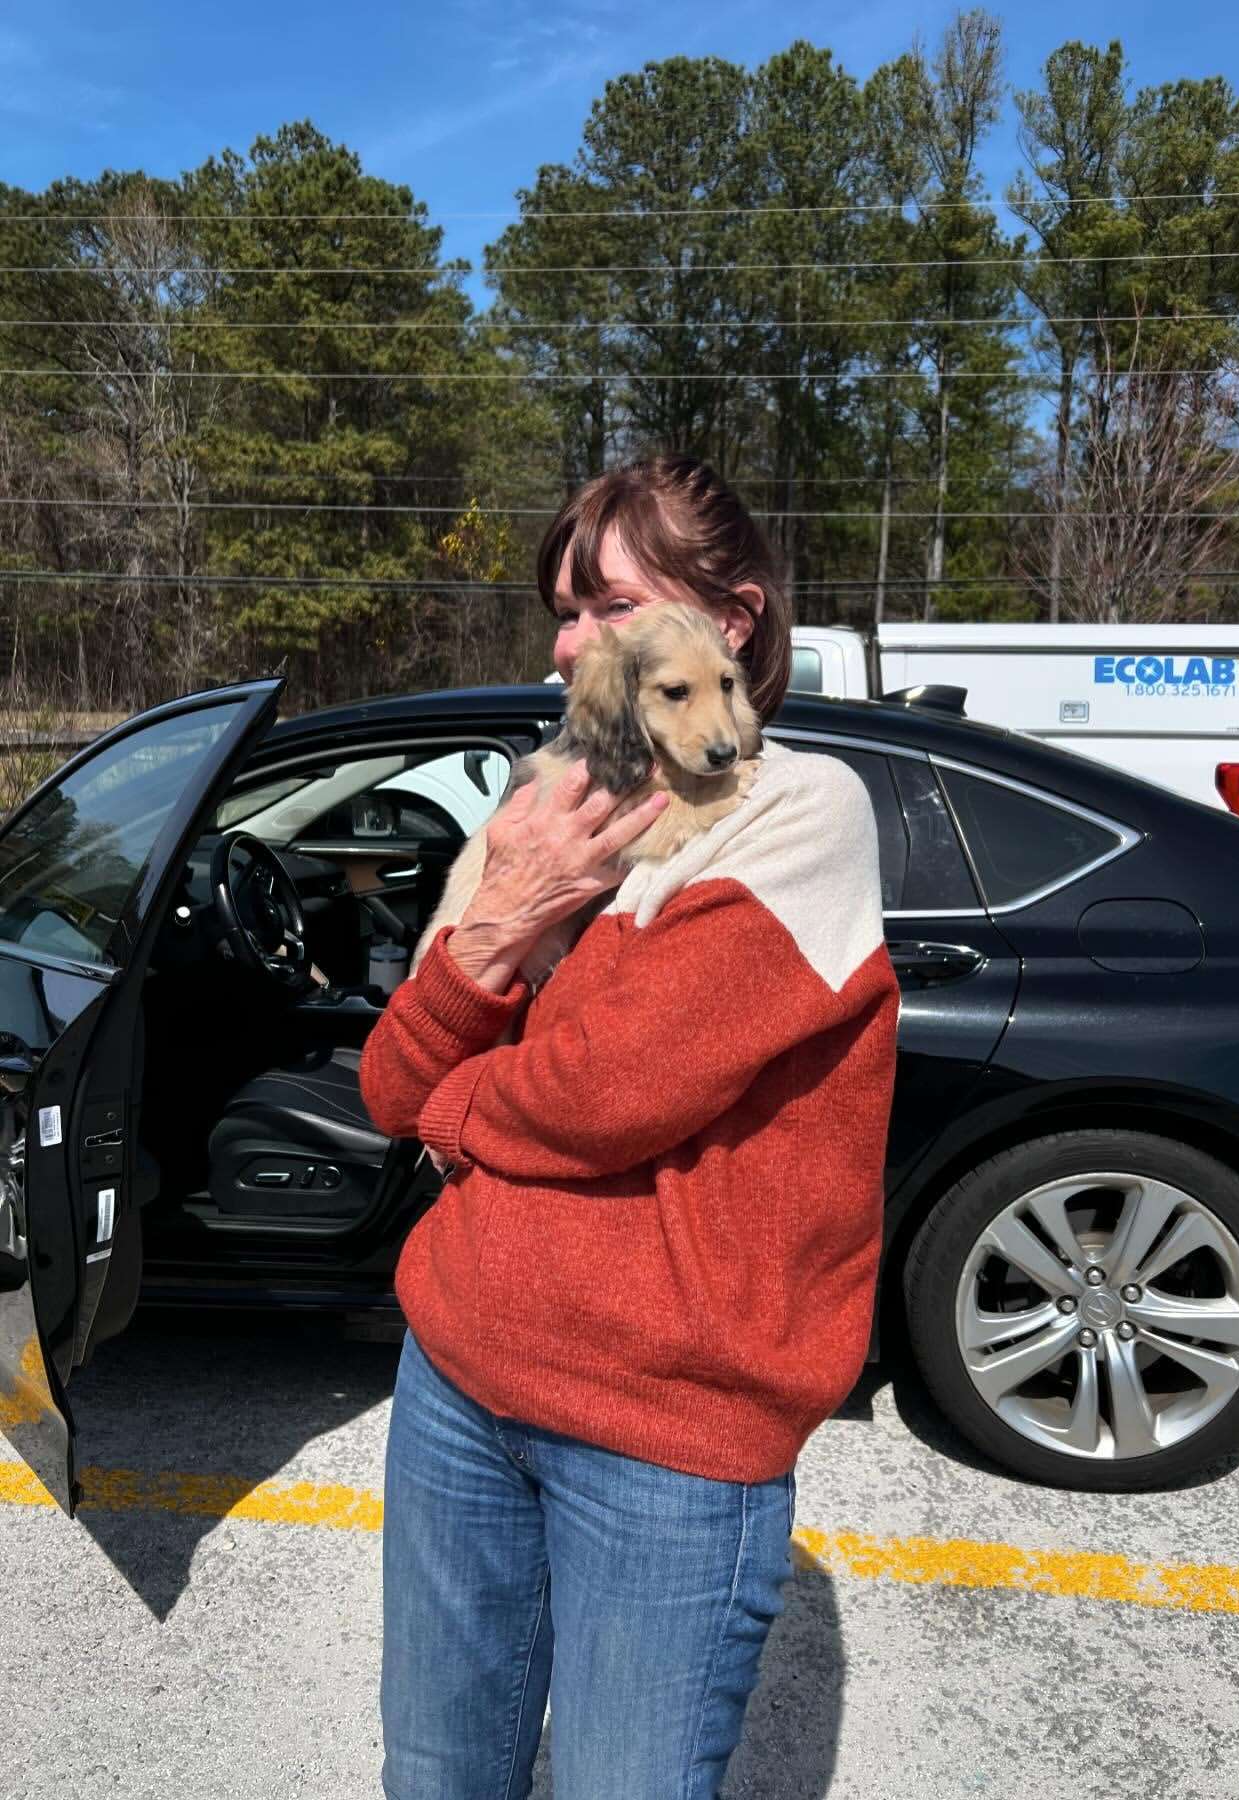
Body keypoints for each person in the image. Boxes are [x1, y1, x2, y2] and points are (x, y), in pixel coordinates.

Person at [360, 453, 900, 1800]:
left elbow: (605, 1095)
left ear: (735, 619)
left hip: (663, 1436)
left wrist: (460, 1094)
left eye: (606, 604)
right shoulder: (543, 814)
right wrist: (505, 909)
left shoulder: (797, 814)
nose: (566, 641)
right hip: (457, 1381)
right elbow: (386, 1086)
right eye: (561, 606)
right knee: (435, 1777)